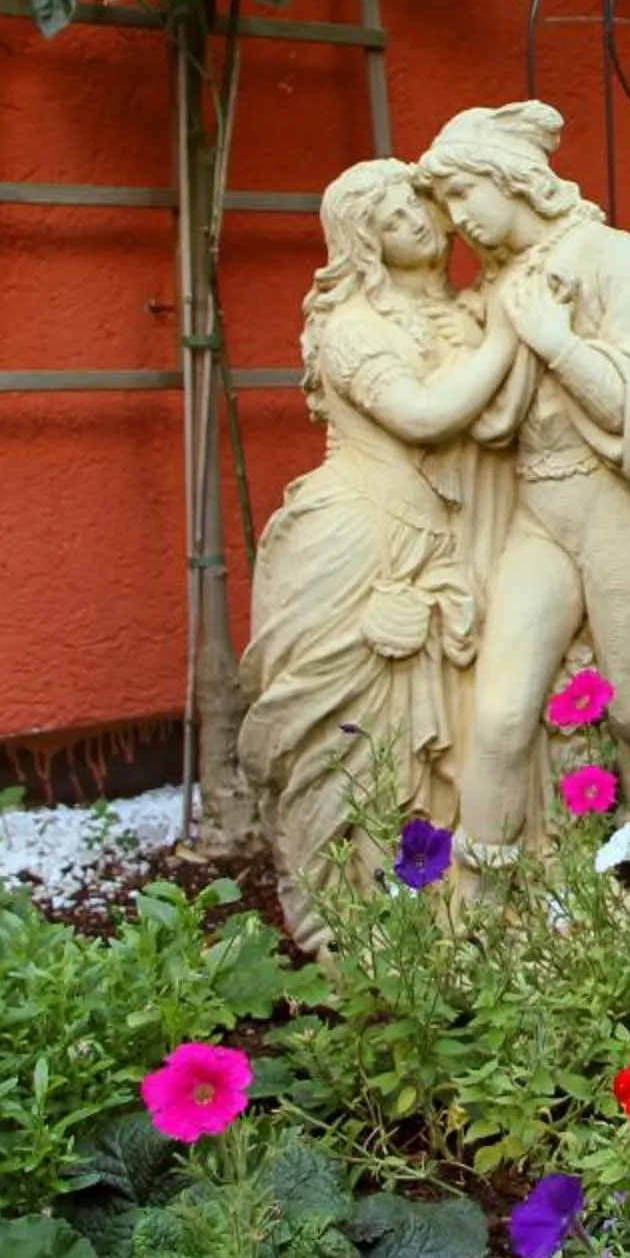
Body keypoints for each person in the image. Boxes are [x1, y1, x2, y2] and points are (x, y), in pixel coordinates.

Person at [413, 102, 630, 863]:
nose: (456, 219)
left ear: (508, 179)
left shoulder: (616, 257)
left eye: (462, 195)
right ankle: (482, 909)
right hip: (539, 518)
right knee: (502, 711)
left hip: (621, 512)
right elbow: (485, 421)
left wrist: (555, 340)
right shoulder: (496, 289)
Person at [236, 158, 521, 944]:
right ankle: (342, 926)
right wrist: (513, 333)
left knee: (438, 749)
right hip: (356, 543)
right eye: (396, 219)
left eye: (422, 207)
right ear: (364, 241)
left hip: (445, 546)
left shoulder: (463, 313)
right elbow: (425, 415)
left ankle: (434, 917)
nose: (421, 223)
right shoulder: (354, 328)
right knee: (345, 744)